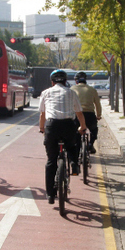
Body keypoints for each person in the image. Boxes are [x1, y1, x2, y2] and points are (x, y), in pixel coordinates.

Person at [39, 69, 87, 204]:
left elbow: (42, 115)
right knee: (71, 145)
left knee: (51, 161)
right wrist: (82, 127)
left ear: (52, 81)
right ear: (66, 81)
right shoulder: (71, 92)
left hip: (51, 127)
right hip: (68, 126)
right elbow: (79, 113)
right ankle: (74, 163)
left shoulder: (46, 92)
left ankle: (49, 194)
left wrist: (42, 128)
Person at [71, 71, 102, 154]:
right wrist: (98, 115)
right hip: (90, 115)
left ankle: (76, 152)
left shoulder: (72, 89)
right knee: (94, 130)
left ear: (76, 81)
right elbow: (98, 104)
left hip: (76, 115)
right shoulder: (92, 89)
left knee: (76, 133)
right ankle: (91, 143)